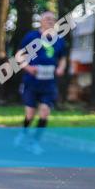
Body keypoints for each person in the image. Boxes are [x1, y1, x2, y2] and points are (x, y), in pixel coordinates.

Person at [13, 11, 67, 154]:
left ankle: (34, 142)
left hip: (49, 83)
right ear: (41, 21)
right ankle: (23, 133)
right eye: (47, 19)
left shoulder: (59, 39)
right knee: (30, 113)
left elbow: (62, 58)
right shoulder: (32, 37)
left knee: (44, 112)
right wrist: (27, 67)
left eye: (53, 19)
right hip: (32, 81)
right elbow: (19, 56)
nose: (50, 21)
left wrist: (61, 68)